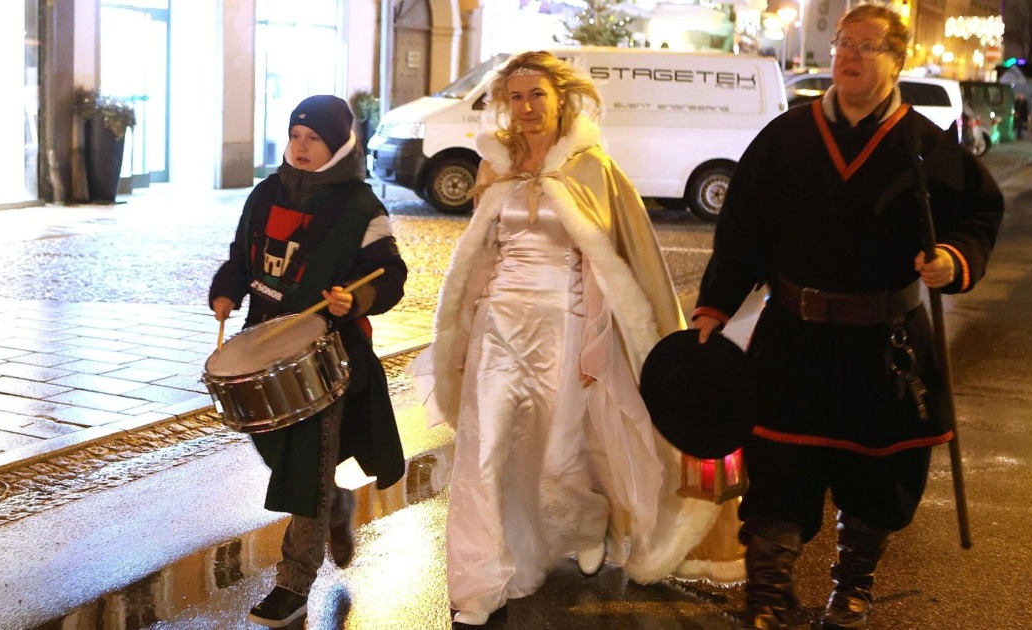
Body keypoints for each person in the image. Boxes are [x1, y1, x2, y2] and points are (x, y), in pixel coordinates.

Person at [690, 5, 1003, 630]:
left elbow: (979, 215)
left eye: (867, 46)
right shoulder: (786, 137)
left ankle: (853, 587)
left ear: (898, 61)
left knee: (876, 470)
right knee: (780, 467)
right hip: (793, 336)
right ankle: (768, 595)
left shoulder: (926, 146)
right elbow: (742, 230)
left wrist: (953, 258)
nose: (849, 56)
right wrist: (714, 306)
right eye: (842, 43)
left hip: (885, 343)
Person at [409, 51, 722, 626]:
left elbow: (610, 263)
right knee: (483, 451)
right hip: (498, 328)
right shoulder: (493, 166)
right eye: (517, 97)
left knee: (561, 449)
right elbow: (481, 257)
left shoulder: (592, 167)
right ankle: (479, 585)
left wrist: (599, 342)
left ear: (560, 99)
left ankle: (584, 526)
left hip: (566, 325)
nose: (527, 107)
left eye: (538, 95)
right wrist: (463, 330)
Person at [209, 94, 409, 628]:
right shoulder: (265, 193)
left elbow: (390, 276)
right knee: (280, 452)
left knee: (306, 466)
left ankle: (294, 583)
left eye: (314, 138)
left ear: (338, 144)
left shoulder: (363, 207)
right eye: (295, 136)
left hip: (328, 353)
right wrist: (226, 290)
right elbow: (241, 255)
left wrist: (356, 298)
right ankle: (335, 503)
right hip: (263, 343)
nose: (300, 146)